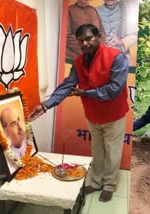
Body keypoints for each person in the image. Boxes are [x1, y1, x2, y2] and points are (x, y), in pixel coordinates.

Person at [29, 24, 129, 202]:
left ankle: (110, 185)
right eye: (81, 41)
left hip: (114, 115)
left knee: (113, 151)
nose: (85, 43)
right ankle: (97, 182)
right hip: (93, 115)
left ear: (99, 36)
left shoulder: (116, 57)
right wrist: (46, 105)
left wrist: (86, 93)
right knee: (97, 150)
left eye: (89, 38)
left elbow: (114, 89)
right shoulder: (79, 61)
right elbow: (68, 84)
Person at [96, 0, 138, 66]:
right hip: (101, 57)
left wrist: (121, 42)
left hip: (124, 56)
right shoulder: (95, 11)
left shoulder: (126, 9)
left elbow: (134, 35)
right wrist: (102, 42)